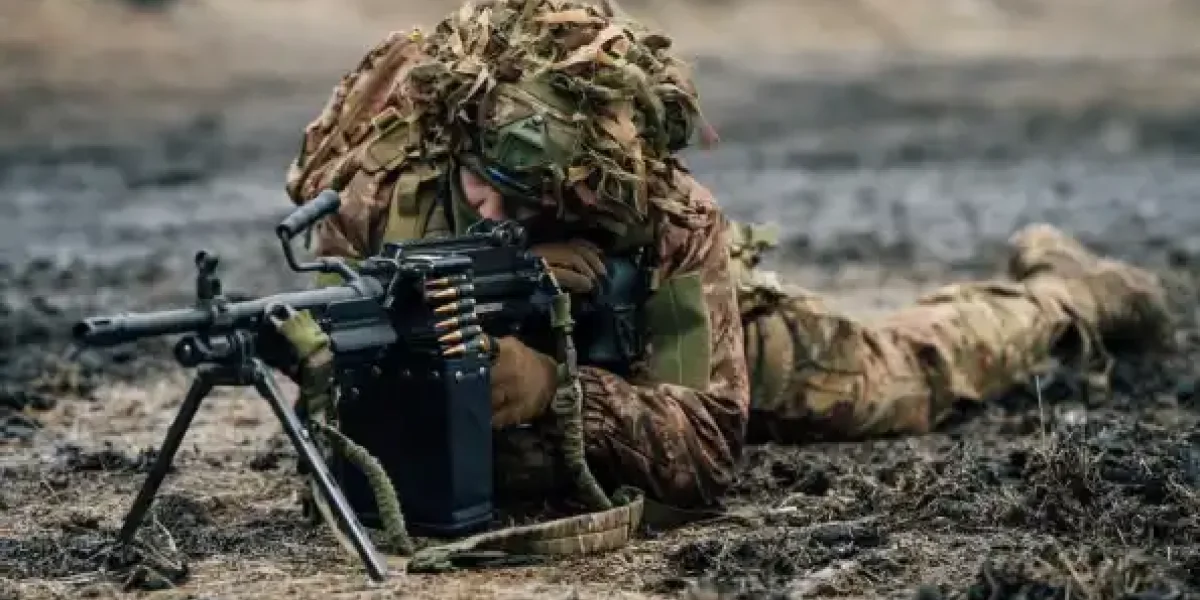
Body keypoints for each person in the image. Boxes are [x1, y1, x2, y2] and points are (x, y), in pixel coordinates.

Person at [280, 0, 1172, 513]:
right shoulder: (382, 193)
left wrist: (556, 391)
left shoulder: (666, 218)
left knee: (904, 376)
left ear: (589, 185)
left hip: (686, 342)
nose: (490, 206)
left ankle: (1066, 295)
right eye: (483, 175)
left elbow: (708, 450)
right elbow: (345, 384)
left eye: (527, 195)